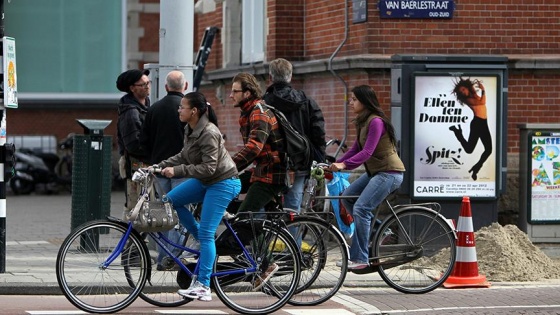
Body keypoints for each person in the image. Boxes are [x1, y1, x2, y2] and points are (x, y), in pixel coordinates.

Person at [151, 92, 241, 302]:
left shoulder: (209, 132)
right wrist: (160, 166)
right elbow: (184, 155)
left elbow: (209, 168)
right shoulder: (190, 129)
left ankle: (203, 285)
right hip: (208, 181)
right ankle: (199, 237)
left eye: (182, 107)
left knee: (208, 234)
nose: (179, 110)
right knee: (170, 201)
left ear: (194, 111)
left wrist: (178, 171)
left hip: (223, 182)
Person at [329, 85, 405, 270]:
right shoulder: (363, 122)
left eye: (354, 99)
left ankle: (361, 259)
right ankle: (381, 230)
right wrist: (334, 164)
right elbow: (356, 149)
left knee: (361, 208)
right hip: (377, 172)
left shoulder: (376, 122)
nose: (351, 103)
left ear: (364, 101)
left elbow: (367, 152)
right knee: (347, 197)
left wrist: (344, 165)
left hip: (389, 172)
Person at [230, 72, 286, 289]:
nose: (231, 95)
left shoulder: (258, 112)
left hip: (272, 174)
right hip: (261, 170)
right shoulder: (248, 112)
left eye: (235, 91)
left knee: (245, 217)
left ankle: (267, 264)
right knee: (228, 189)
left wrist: (230, 167)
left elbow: (255, 147)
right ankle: (250, 252)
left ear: (247, 92)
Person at [139, 70, 189, 270]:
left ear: (166, 87)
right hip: (183, 170)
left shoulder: (154, 109)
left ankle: (162, 256)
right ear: (185, 87)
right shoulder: (191, 108)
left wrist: (152, 162)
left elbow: (144, 141)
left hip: (159, 170)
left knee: (163, 214)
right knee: (179, 214)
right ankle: (172, 258)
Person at [263, 58, 326, 213]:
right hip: (299, 160)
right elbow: (318, 131)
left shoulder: (264, 103)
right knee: (293, 209)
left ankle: (265, 236)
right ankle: (293, 237)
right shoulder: (306, 101)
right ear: (290, 76)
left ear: (270, 77)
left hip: (272, 161)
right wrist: (320, 157)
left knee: (263, 206)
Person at [116, 69, 150, 214]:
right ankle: (129, 236)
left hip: (143, 168)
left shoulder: (145, 105)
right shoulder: (130, 112)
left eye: (148, 82)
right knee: (134, 209)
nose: (147, 86)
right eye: (143, 84)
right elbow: (133, 145)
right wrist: (154, 152)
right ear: (132, 88)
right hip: (135, 168)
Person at [449, 77, 492, 181]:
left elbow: (479, 99)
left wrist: (475, 87)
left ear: (467, 88)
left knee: (488, 150)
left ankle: (476, 168)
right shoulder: (468, 99)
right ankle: (458, 133)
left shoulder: (473, 95)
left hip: (483, 123)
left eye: (464, 89)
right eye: (461, 92)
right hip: (477, 123)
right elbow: (482, 102)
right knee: (469, 150)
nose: (463, 92)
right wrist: (483, 90)